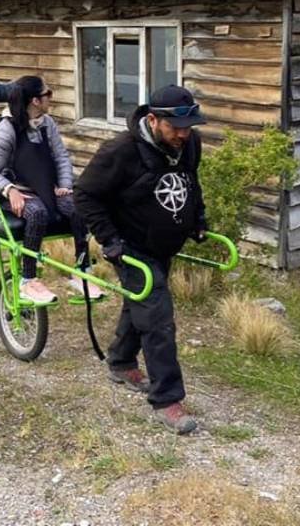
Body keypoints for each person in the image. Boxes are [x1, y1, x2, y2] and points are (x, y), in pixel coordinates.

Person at [74, 84, 208, 435]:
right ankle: (166, 399)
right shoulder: (120, 151)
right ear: (153, 119)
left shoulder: (189, 143)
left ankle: (119, 361)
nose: (183, 134)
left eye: (189, 127)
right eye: (176, 128)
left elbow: (190, 181)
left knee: (143, 305)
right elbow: (85, 195)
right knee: (158, 316)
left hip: (165, 243)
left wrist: (199, 219)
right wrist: (109, 240)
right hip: (130, 246)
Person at [0, 75, 102, 305]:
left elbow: (61, 157)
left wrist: (64, 185)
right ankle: (28, 280)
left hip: (47, 188)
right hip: (18, 191)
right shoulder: (6, 130)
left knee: (79, 208)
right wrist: (10, 190)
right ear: (35, 100)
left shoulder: (47, 123)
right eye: (48, 94)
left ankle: (81, 270)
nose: (50, 98)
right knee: (36, 213)